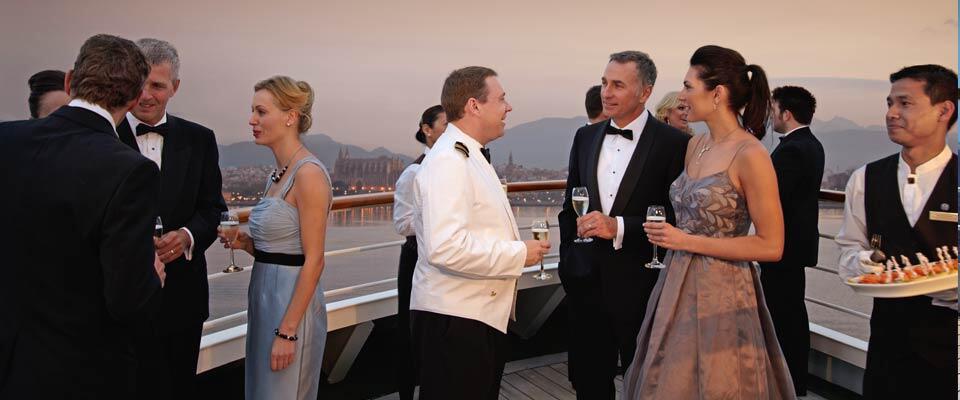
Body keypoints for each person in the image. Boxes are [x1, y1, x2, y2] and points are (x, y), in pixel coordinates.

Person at [623, 45, 795, 398]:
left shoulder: (751, 154)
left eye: (689, 86)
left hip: (724, 294)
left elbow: (771, 245)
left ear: (717, 94)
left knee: (720, 383)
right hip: (675, 284)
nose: (682, 95)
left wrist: (685, 241)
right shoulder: (695, 145)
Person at [0, 34, 164, 399]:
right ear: (134, 99)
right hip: (80, 373)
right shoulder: (130, 171)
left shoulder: (5, 140)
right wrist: (152, 277)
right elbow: (128, 301)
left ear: (70, 81)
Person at [410, 66, 549, 400]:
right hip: (456, 323)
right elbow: (445, 248)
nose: (508, 107)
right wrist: (520, 253)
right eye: (501, 99)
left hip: (472, 317)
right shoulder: (449, 161)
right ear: (473, 105)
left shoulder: (468, 154)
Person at [558, 51, 690, 400]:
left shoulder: (675, 144)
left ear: (645, 92)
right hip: (586, 283)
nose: (606, 92)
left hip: (643, 284)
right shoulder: (584, 137)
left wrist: (618, 226)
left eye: (618, 85)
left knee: (646, 382)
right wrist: (569, 260)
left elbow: (678, 217)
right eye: (604, 83)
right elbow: (569, 207)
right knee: (589, 383)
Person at [111, 38, 226, 398]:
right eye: (139, 84)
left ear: (175, 87)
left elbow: (213, 208)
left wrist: (188, 236)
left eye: (157, 86)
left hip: (182, 300)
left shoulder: (200, 139)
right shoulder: (102, 136)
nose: (145, 95)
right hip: (117, 301)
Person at [835, 64, 958, 399]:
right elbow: (848, 250)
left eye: (905, 103)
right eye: (889, 103)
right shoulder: (865, 179)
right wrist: (864, 262)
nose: (891, 113)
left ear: (944, 110)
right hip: (887, 344)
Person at [219, 76, 331, 400]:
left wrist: (288, 331)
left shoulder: (308, 175)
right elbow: (282, 251)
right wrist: (245, 243)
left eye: (261, 111)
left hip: (289, 307)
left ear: (290, 116)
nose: (251, 120)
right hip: (263, 300)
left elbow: (314, 260)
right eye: (252, 111)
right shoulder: (275, 175)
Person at [759, 85, 824, 396]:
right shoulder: (812, 144)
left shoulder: (792, 150)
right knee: (792, 311)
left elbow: (774, 196)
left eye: (773, 110)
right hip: (797, 245)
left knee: (783, 313)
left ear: (786, 113)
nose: (771, 117)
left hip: (784, 246)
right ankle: (794, 379)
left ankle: (788, 380)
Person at [392, 104, 447, 400]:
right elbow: (402, 223)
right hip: (416, 259)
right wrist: (439, 217)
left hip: (445, 259)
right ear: (427, 129)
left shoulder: (454, 168)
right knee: (410, 331)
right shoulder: (413, 172)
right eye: (445, 125)